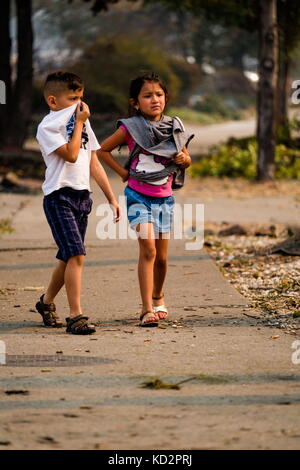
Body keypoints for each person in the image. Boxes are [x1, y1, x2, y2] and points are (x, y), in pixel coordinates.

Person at [98, 72, 193, 327]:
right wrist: (122, 173)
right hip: (138, 196)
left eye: (159, 95)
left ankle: (158, 295)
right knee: (148, 249)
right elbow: (102, 150)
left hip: (165, 199)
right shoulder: (130, 128)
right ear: (135, 102)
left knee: (162, 258)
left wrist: (185, 160)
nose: (155, 100)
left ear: (166, 98)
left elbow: (185, 157)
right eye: (147, 95)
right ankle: (146, 308)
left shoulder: (175, 127)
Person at [36, 71, 121, 334]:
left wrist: (111, 197)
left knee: (67, 257)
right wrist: (80, 123)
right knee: (76, 254)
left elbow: (92, 160)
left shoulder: (81, 121)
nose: (80, 104)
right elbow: (72, 155)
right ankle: (76, 316)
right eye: (73, 98)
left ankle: (46, 302)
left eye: (81, 98)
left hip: (82, 197)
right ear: (53, 101)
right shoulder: (48, 128)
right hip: (58, 196)